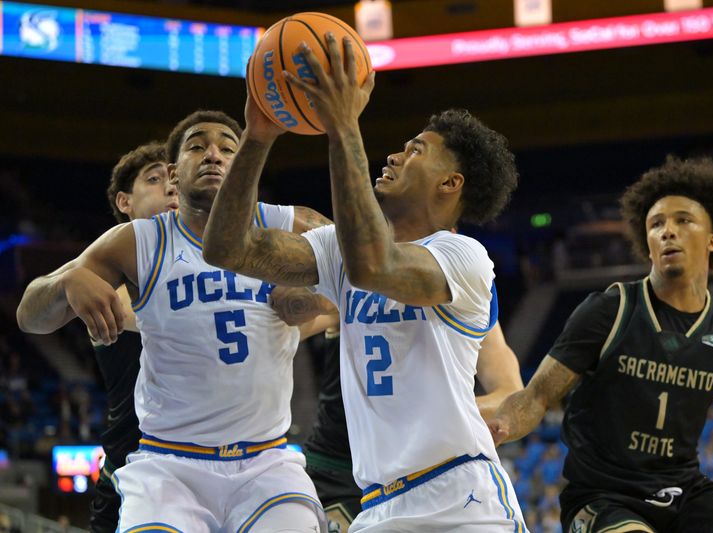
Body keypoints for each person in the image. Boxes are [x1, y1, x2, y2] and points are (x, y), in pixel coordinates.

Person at [203, 34, 526, 532]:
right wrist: (256, 138)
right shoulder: (339, 250)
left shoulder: (464, 258)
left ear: (450, 184)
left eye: (415, 151)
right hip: (378, 506)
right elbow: (227, 249)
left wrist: (343, 126)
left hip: (461, 500)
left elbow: (375, 266)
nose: (394, 156)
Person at [16, 110, 335, 532]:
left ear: (246, 164)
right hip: (170, 466)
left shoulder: (289, 224)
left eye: (228, 148)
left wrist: (314, 297)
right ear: (173, 174)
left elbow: (362, 276)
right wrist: (66, 281)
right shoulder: (141, 240)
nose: (213, 155)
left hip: (267, 464)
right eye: (197, 146)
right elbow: (29, 316)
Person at [489, 156, 713, 533]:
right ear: (647, 246)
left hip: (685, 493)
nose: (668, 231)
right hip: (603, 494)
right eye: (656, 224)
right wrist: (502, 424)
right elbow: (537, 396)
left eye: (683, 220)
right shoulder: (609, 311)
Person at [270, 286, 524, 532]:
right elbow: (278, 329)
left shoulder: (463, 287)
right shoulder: (354, 282)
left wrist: (454, 415)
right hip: (340, 469)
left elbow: (510, 393)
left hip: (431, 476)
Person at [90, 141, 178, 533]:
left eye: (176, 179)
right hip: (129, 468)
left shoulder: (211, 262)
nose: (170, 187)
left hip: (214, 464)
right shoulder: (108, 269)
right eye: (155, 179)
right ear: (125, 202)